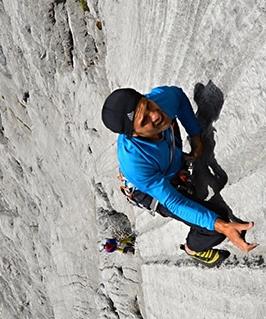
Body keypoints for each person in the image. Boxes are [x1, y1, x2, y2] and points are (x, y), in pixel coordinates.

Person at [101, 85, 257, 266]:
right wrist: (222, 226)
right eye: (144, 120)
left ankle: (179, 178)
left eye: (148, 105)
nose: (155, 115)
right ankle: (193, 249)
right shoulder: (134, 162)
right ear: (133, 135)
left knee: (167, 122)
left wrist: (196, 137)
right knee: (216, 219)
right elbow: (174, 202)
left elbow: (179, 97)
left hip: (167, 160)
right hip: (149, 190)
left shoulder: (160, 102)